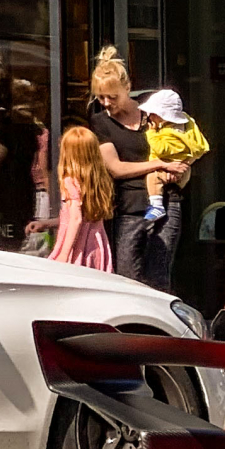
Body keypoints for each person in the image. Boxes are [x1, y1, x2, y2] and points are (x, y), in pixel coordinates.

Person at [86, 46, 193, 289]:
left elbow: (182, 149)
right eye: (100, 97)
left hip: (167, 200)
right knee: (126, 276)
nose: (106, 103)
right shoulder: (100, 122)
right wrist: (158, 163)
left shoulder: (156, 114)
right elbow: (115, 168)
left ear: (127, 87)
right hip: (129, 205)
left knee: (158, 275)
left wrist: (180, 169)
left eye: (112, 97)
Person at [46, 125, 113, 272]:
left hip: (78, 249)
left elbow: (76, 219)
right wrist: (45, 224)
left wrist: (64, 254)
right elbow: (75, 217)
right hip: (95, 246)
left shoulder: (70, 180)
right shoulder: (97, 180)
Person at [136, 89, 207, 221]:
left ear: (162, 116)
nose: (149, 117)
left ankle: (157, 206)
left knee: (152, 178)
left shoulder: (170, 133)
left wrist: (151, 133)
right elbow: (201, 148)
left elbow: (160, 149)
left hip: (166, 169)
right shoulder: (187, 126)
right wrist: (186, 163)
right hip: (184, 170)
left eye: (153, 114)